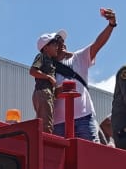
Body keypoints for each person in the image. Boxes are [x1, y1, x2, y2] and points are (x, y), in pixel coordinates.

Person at [36, 8, 117, 140]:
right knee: (61, 157)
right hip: (58, 123)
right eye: (56, 41)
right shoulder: (44, 68)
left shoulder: (78, 58)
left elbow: (98, 44)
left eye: (62, 40)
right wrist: (58, 91)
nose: (61, 43)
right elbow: (43, 96)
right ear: (48, 49)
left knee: (90, 154)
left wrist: (111, 25)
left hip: (84, 118)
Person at [29, 46, 58, 133]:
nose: (56, 47)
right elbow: (33, 71)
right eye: (54, 44)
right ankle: (46, 145)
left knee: (43, 121)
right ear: (46, 48)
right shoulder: (41, 56)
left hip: (45, 92)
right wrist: (48, 77)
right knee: (46, 125)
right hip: (44, 91)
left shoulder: (51, 61)